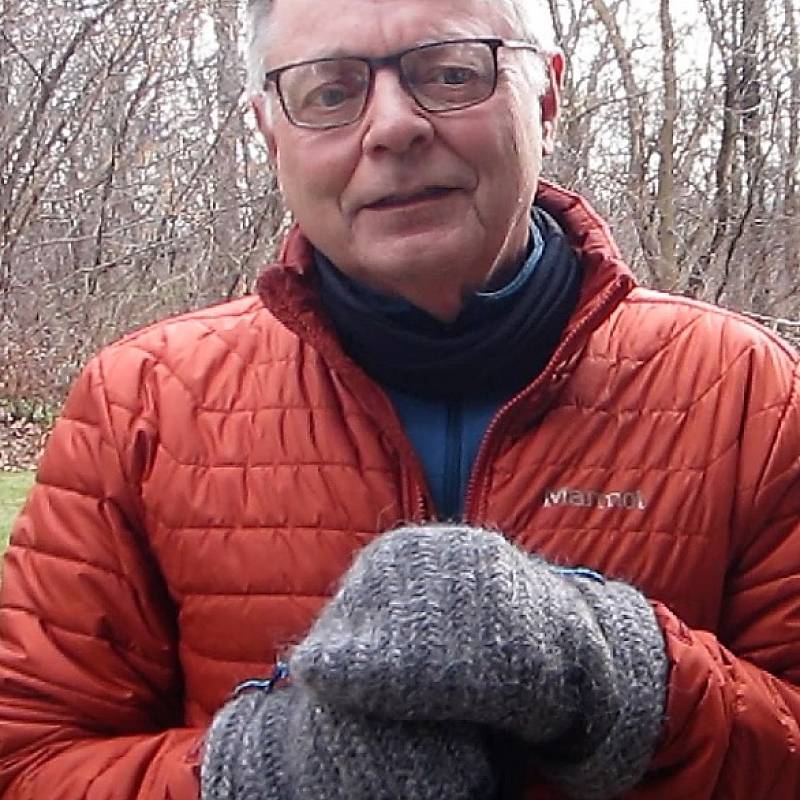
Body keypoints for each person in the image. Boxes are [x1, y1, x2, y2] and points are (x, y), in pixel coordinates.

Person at [0, 0, 799, 796]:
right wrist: (263, 774)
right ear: (270, 132)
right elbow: (27, 761)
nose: (392, 127)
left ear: (547, 97)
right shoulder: (141, 403)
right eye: (328, 91)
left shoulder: (746, 396)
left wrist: (627, 683)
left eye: (451, 72)